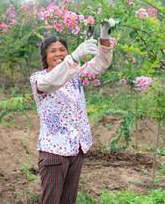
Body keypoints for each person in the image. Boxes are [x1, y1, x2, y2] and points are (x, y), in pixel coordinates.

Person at [30, 21, 113, 204]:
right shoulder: (39, 79)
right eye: (53, 51)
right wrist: (74, 57)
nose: (58, 54)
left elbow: (100, 64)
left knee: (68, 200)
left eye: (62, 50)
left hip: (77, 148)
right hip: (54, 151)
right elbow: (51, 82)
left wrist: (105, 37)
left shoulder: (75, 75)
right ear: (45, 55)